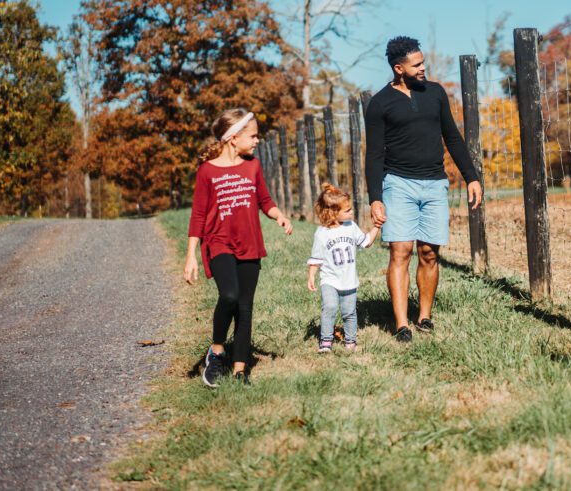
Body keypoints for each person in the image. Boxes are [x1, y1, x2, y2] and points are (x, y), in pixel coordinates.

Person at [364, 36, 482, 342]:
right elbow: (374, 154)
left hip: (434, 184)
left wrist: (471, 176)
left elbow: (452, 137)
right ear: (399, 68)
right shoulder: (379, 104)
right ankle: (401, 324)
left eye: (423, 62)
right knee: (400, 251)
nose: (423, 68)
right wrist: (375, 199)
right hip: (398, 184)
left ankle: (424, 317)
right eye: (417, 64)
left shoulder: (436, 93)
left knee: (429, 252)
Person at [184, 108, 293, 387]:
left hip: (250, 244)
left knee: (245, 307)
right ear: (233, 137)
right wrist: (191, 256)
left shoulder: (252, 166)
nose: (257, 141)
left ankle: (240, 370)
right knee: (229, 295)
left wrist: (278, 215)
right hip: (219, 242)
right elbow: (198, 215)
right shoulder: (207, 171)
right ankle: (217, 351)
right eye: (253, 136)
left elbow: (264, 200)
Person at [306, 184, 381, 352]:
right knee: (330, 307)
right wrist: (311, 276)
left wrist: (377, 227)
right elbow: (316, 258)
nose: (351, 212)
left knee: (349, 312)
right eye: (347, 210)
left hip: (349, 281)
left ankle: (350, 340)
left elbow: (366, 242)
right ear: (333, 213)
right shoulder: (321, 233)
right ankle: (326, 341)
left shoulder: (351, 227)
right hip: (329, 280)